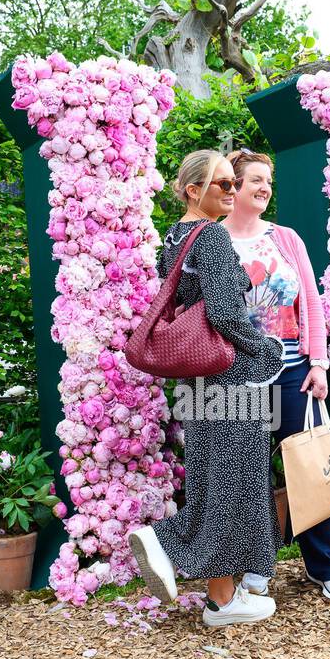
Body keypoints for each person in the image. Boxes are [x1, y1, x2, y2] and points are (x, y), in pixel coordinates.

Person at [126, 150, 285, 627]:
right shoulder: (213, 236)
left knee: (218, 480)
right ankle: (165, 540)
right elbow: (224, 314)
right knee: (236, 482)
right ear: (194, 190)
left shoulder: (175, 238)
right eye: (221, 184)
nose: (231, 192)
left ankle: (222, 598)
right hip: (230, 378)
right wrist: (266, 349)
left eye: (233, 184)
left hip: (196, 382)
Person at [221, 148, 330, 602]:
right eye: (254, 179)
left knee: (313, 466)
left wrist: (318, 363)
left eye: (268, 182)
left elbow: (310, 302)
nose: (264, 188)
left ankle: (327, 567)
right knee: (247, 478)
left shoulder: (286, 239)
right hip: (237, 377)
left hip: (295, 369)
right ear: (231, 186)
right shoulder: (211, 241)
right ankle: (256, 569)